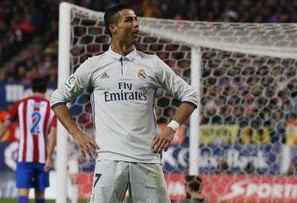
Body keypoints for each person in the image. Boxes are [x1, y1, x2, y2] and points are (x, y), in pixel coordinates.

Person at [50, 3, 198, 203]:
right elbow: (58, 98)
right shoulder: (94, 65)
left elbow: (190, 95)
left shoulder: (152, 63)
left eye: (136, 20)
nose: (136, 24)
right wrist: (76, 134)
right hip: (109, 158)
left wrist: (171, 127)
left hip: (147, 158)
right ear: (113, 28)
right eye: (129, 20)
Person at [0, 76, 57, 203]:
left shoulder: (20, 104)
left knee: (23, 193)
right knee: (40, 195)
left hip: (24, 158)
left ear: (32, 88)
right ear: (46, 89)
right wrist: (49, 157)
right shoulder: (51, 107)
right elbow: (53, 134)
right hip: (42, 158)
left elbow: (4, 127)